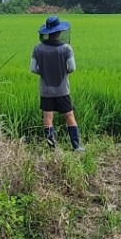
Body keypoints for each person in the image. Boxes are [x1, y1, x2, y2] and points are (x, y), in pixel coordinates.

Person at [30, 15, 85, 152]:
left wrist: (45, 73)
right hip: (62, 90)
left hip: (45, 90)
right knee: (69, 116)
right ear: (59, 32)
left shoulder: (38, 48)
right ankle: (76, 146)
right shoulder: (66, 48)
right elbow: (72, 68)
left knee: (48, 118)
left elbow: (32, 68)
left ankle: (51, 148)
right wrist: (62, 72)